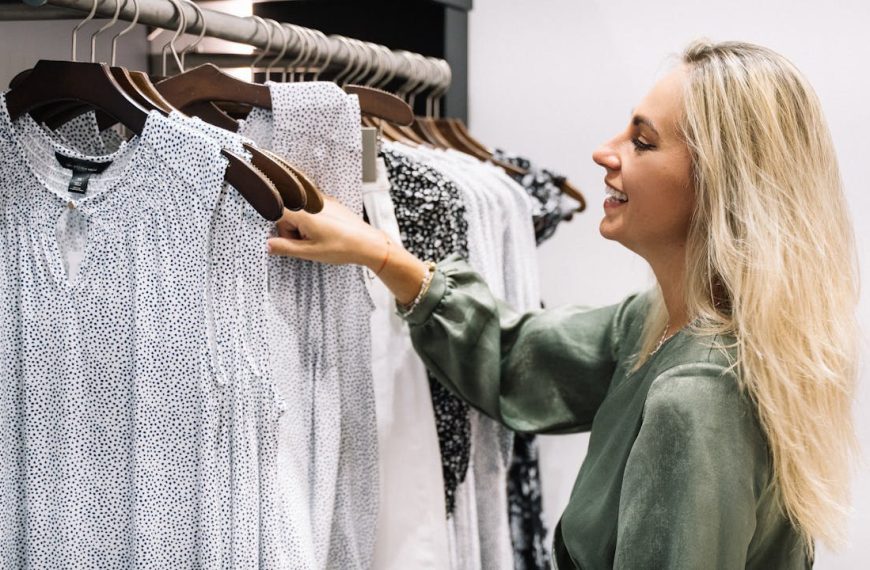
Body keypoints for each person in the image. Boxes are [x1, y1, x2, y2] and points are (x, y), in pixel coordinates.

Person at [267, 40, 859, 569]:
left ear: (719, 185)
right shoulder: (663, 327)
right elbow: (521, 355)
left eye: (643, 141)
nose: (606, 152)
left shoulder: (697, 401)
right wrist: (382, 254)